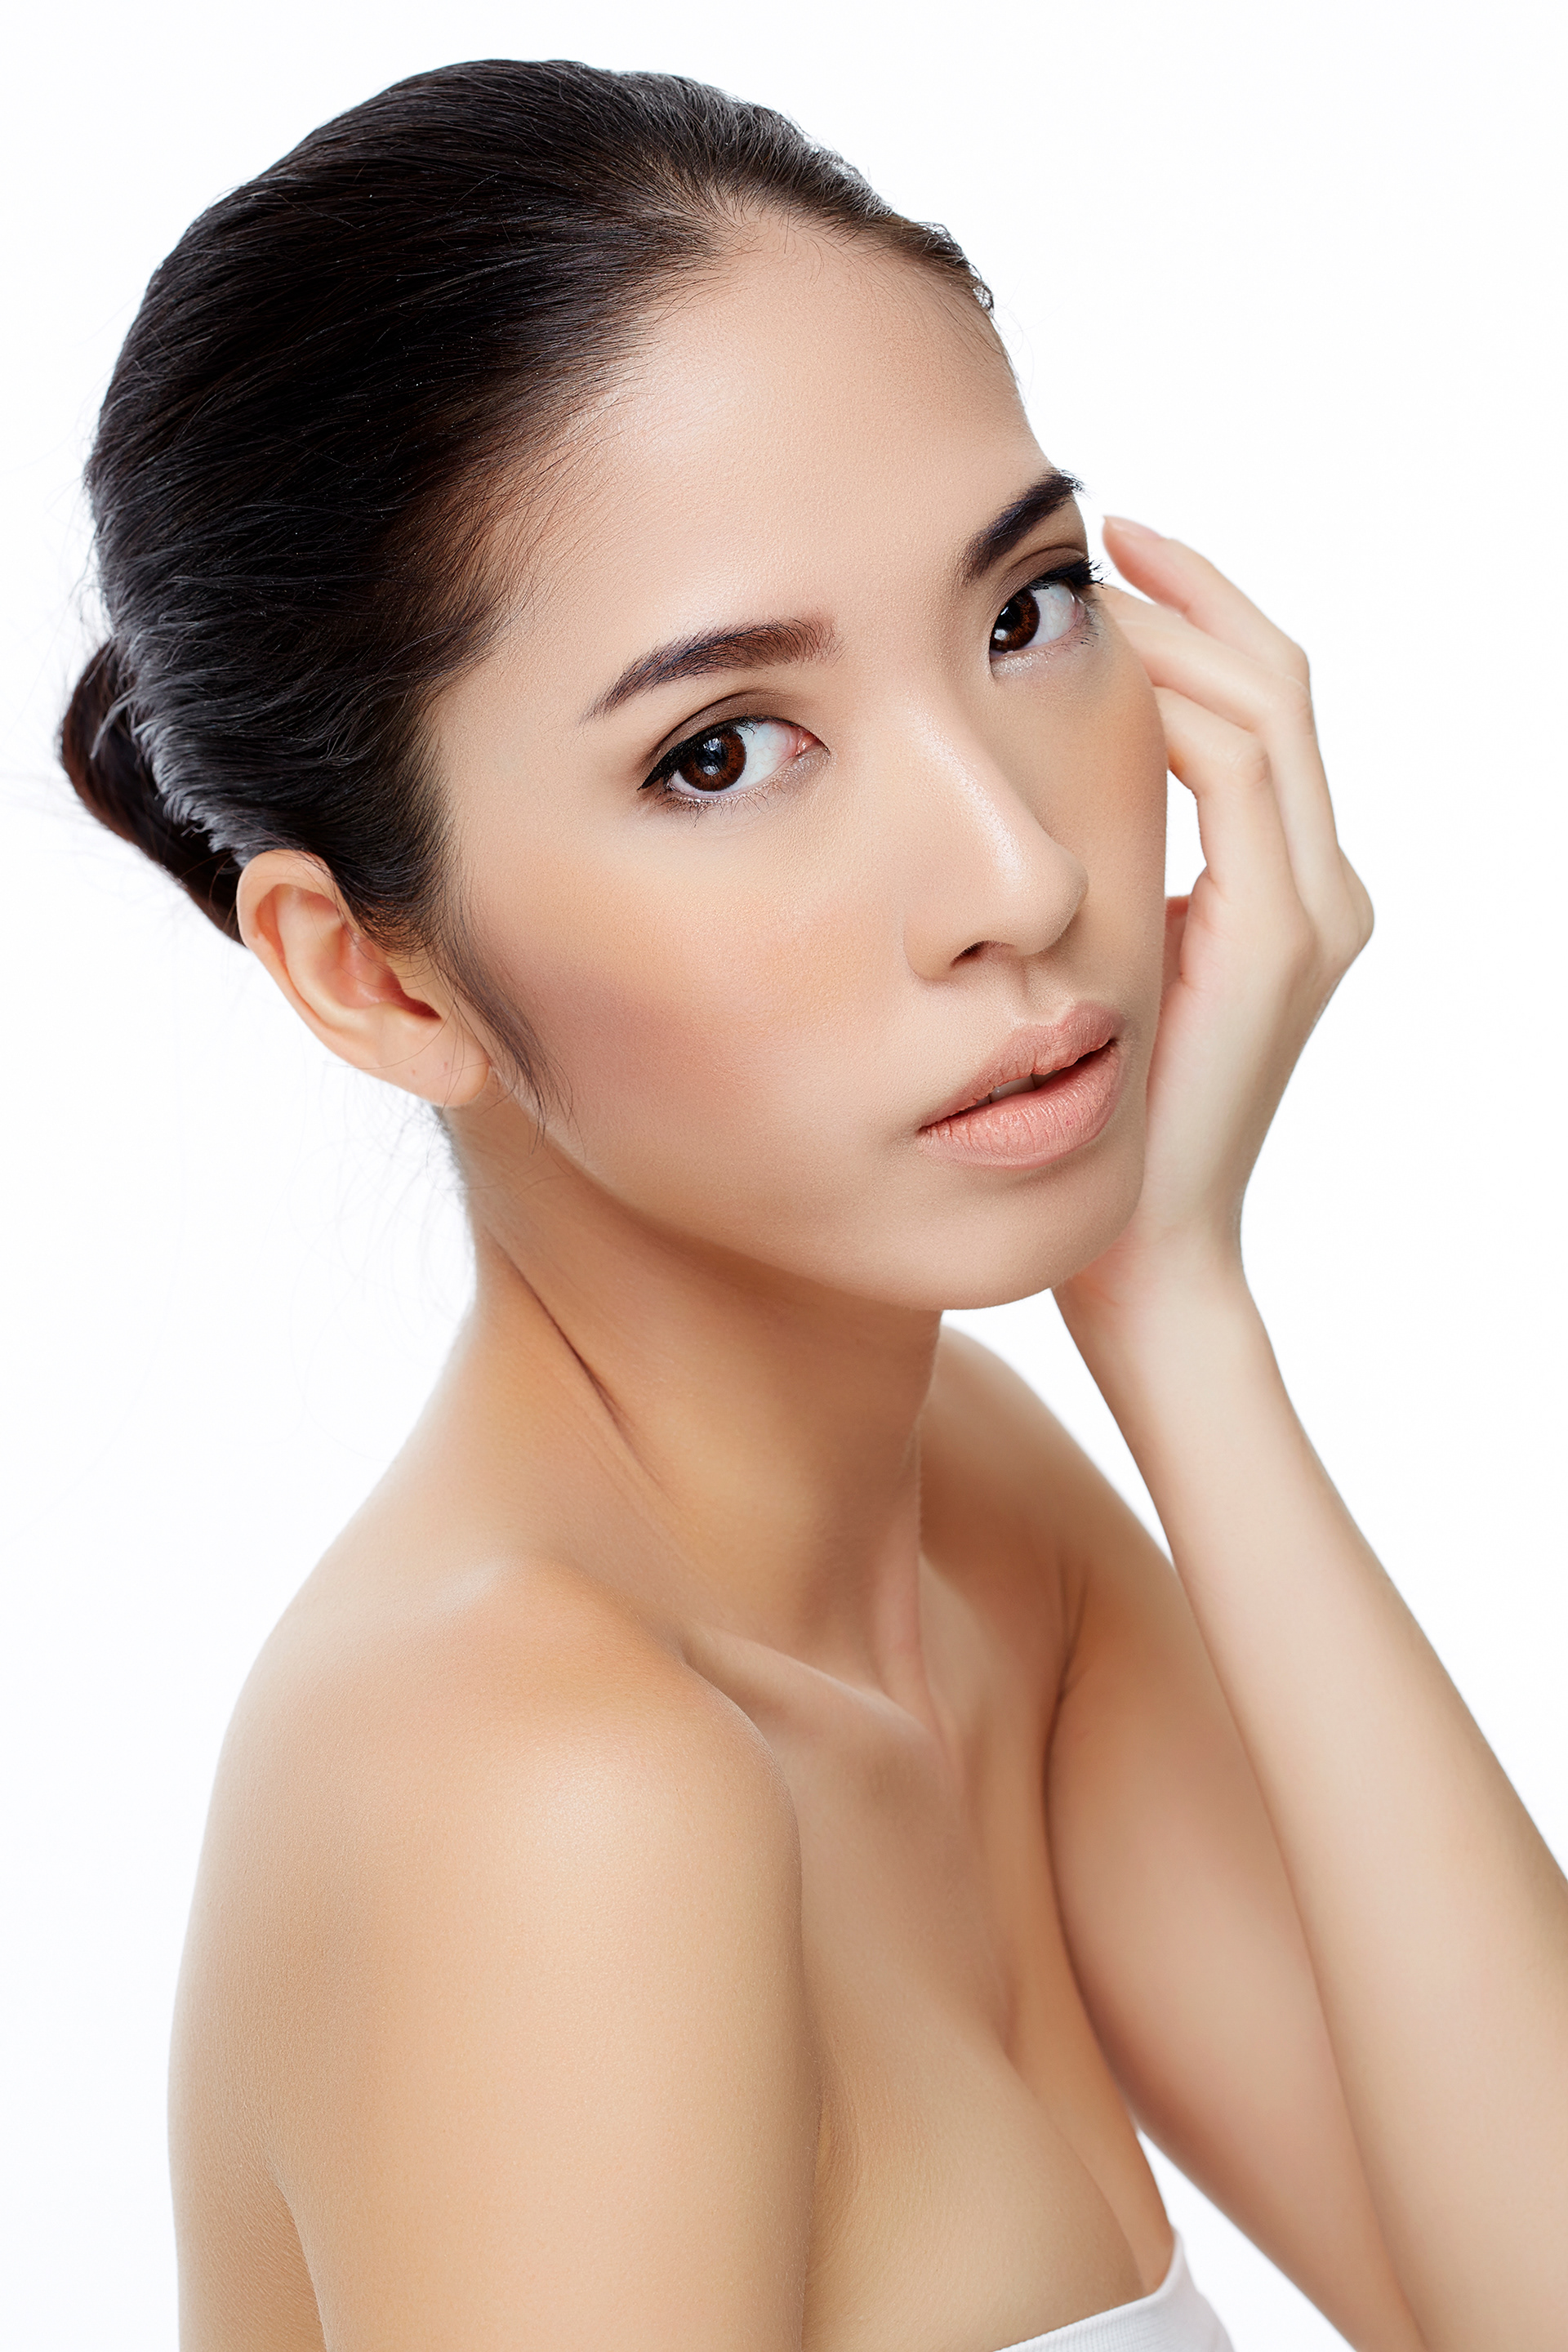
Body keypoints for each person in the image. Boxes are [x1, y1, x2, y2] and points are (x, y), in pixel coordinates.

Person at [59, 57, 1566, 2352]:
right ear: (377, 973)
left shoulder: (966, 1528)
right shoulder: (544, 1796)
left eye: (1027, 612)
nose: (1020, 874)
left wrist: (1176, 1309)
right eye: (721, 752)